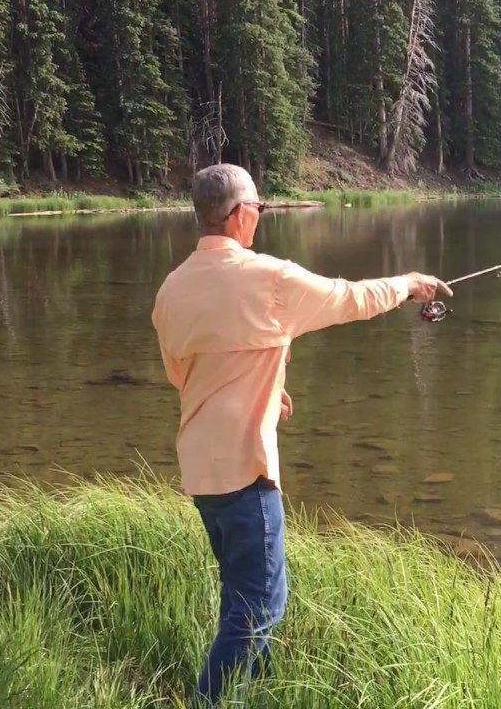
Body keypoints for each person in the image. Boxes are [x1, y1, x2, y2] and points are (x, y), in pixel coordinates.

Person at [151, 164, 451, 705]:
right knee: (257, 609)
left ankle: (256, 697)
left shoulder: (172, 289)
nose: (259, 219)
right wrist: (409, 285)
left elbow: (186, 374)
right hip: (247, 471)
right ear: (241, 214)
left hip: (201, 472)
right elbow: (349, 298)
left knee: (248, 599)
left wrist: (268, 386)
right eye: (259, 210)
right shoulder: (268, 278)